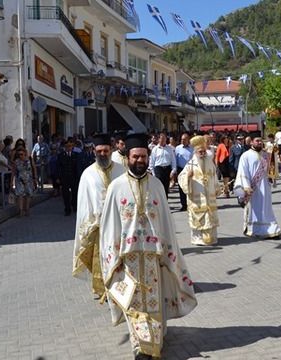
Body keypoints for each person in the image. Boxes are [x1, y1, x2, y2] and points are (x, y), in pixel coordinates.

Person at [99, 133, 197, 360]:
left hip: (154, 256)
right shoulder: (116, 186)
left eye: (143, 156)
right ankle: (140, 346)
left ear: (147, 157)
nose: (139, 161)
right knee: (133, 300)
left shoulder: (157, 185)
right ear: (128, 158)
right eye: (135, 157)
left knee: (153, 300)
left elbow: (166, 222)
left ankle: (155, 338)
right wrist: (112, 257)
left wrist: (168, 251)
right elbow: (110, 225)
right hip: (128, 257)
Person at [73, 134, 125, 299]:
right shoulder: (87, 174)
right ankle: (104, 287)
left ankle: (120, 285)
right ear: (94, 151)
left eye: (106, 151)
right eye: (99, 151)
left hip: (120, 224)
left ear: (111, 150)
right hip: (99, 225)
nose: (103, 154)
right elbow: (83, 203)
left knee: (119, 256)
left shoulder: (122, 170)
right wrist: (87, 225)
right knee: (101, 258)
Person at [234, 136, 281, 239]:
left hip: (265, 186)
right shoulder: (245, 156)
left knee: (266, 208)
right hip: (253, 188)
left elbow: (271, 168)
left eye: (261, 140)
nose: (259, 142)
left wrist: (273, 155)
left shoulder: (265, 154)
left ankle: (271, 229)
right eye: (257, 141)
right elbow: (243, 172)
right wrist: (246, 187)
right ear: (251, 142)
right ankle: (252, 229)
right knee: (254, 209)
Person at [178, 135, 220, 245]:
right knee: (199, 217)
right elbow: (181, 178)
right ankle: (198, 239)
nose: (202, 153)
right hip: (197, 197)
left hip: (209, 195)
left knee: (209, 216)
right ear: (196, 152)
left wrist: (216, 187)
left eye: (203, 151)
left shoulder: (210, 162)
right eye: (200, 151)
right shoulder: (191, 164)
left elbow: (214, 175)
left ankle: (211, 238)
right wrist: (188, 176)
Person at [148, 132, 176, 198]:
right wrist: (153, 173)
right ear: (158, 139)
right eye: (161, 139)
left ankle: (165, 204)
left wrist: (173, 170)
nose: (163, 140)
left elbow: (173, 161)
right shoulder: (155, 149)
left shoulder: (169, 149)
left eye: (164, 139)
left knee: (166, 188)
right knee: (159, 188)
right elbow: (152, 162)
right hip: (158, 169)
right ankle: (158, 204)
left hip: (167, 169)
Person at [11, 147, 36, 217]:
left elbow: (34, 168)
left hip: (29, 180)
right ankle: (21, 210)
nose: (20, 156)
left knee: (28, 194)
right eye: (19, 155)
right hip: (19, 180)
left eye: (22, 154)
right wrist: (11, 182)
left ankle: (27, 208)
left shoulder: (30, 160)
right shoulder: (16, 161)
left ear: (25, 153)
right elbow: (13, 172)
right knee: (20, 195)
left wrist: (35, 178)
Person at [58, 138, 80, 216]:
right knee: (65, 194)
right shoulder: (61, 156)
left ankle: (74, 206)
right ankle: (67, 209)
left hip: (74, 178)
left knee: (75, 193)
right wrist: (58, 178)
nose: (68, 148)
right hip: (65, 178)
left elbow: (78, 167)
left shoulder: (76, 155)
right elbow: (59, 167)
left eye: (70, 146)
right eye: (67, 146)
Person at [174, 133, 193, 211]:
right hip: (180, 169)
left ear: (188, 140)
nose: (183, 141)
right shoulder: (178, 148)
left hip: (189, 169)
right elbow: (175, 160)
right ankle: (184, 205)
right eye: (182, 139)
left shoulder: (192, 148)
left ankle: (191, 204)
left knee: (190, 187)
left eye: (184, 139)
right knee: (182, 187)